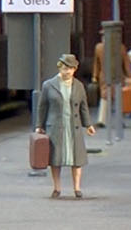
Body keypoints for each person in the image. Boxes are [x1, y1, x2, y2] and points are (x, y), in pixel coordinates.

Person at [35, 54, 96, 198]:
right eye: (64, 68)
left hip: (73, 127)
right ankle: (57, 188)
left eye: (70, 68)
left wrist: (88, 124)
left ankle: (77, 188)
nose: (67, 71)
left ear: (75, 69)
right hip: (55, 127)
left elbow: (83, 107)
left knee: (77, 159)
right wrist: (39, 125)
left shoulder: (79, 86)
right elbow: (42, 107)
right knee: (56, 159)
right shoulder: (48, 85)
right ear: (59, 68)